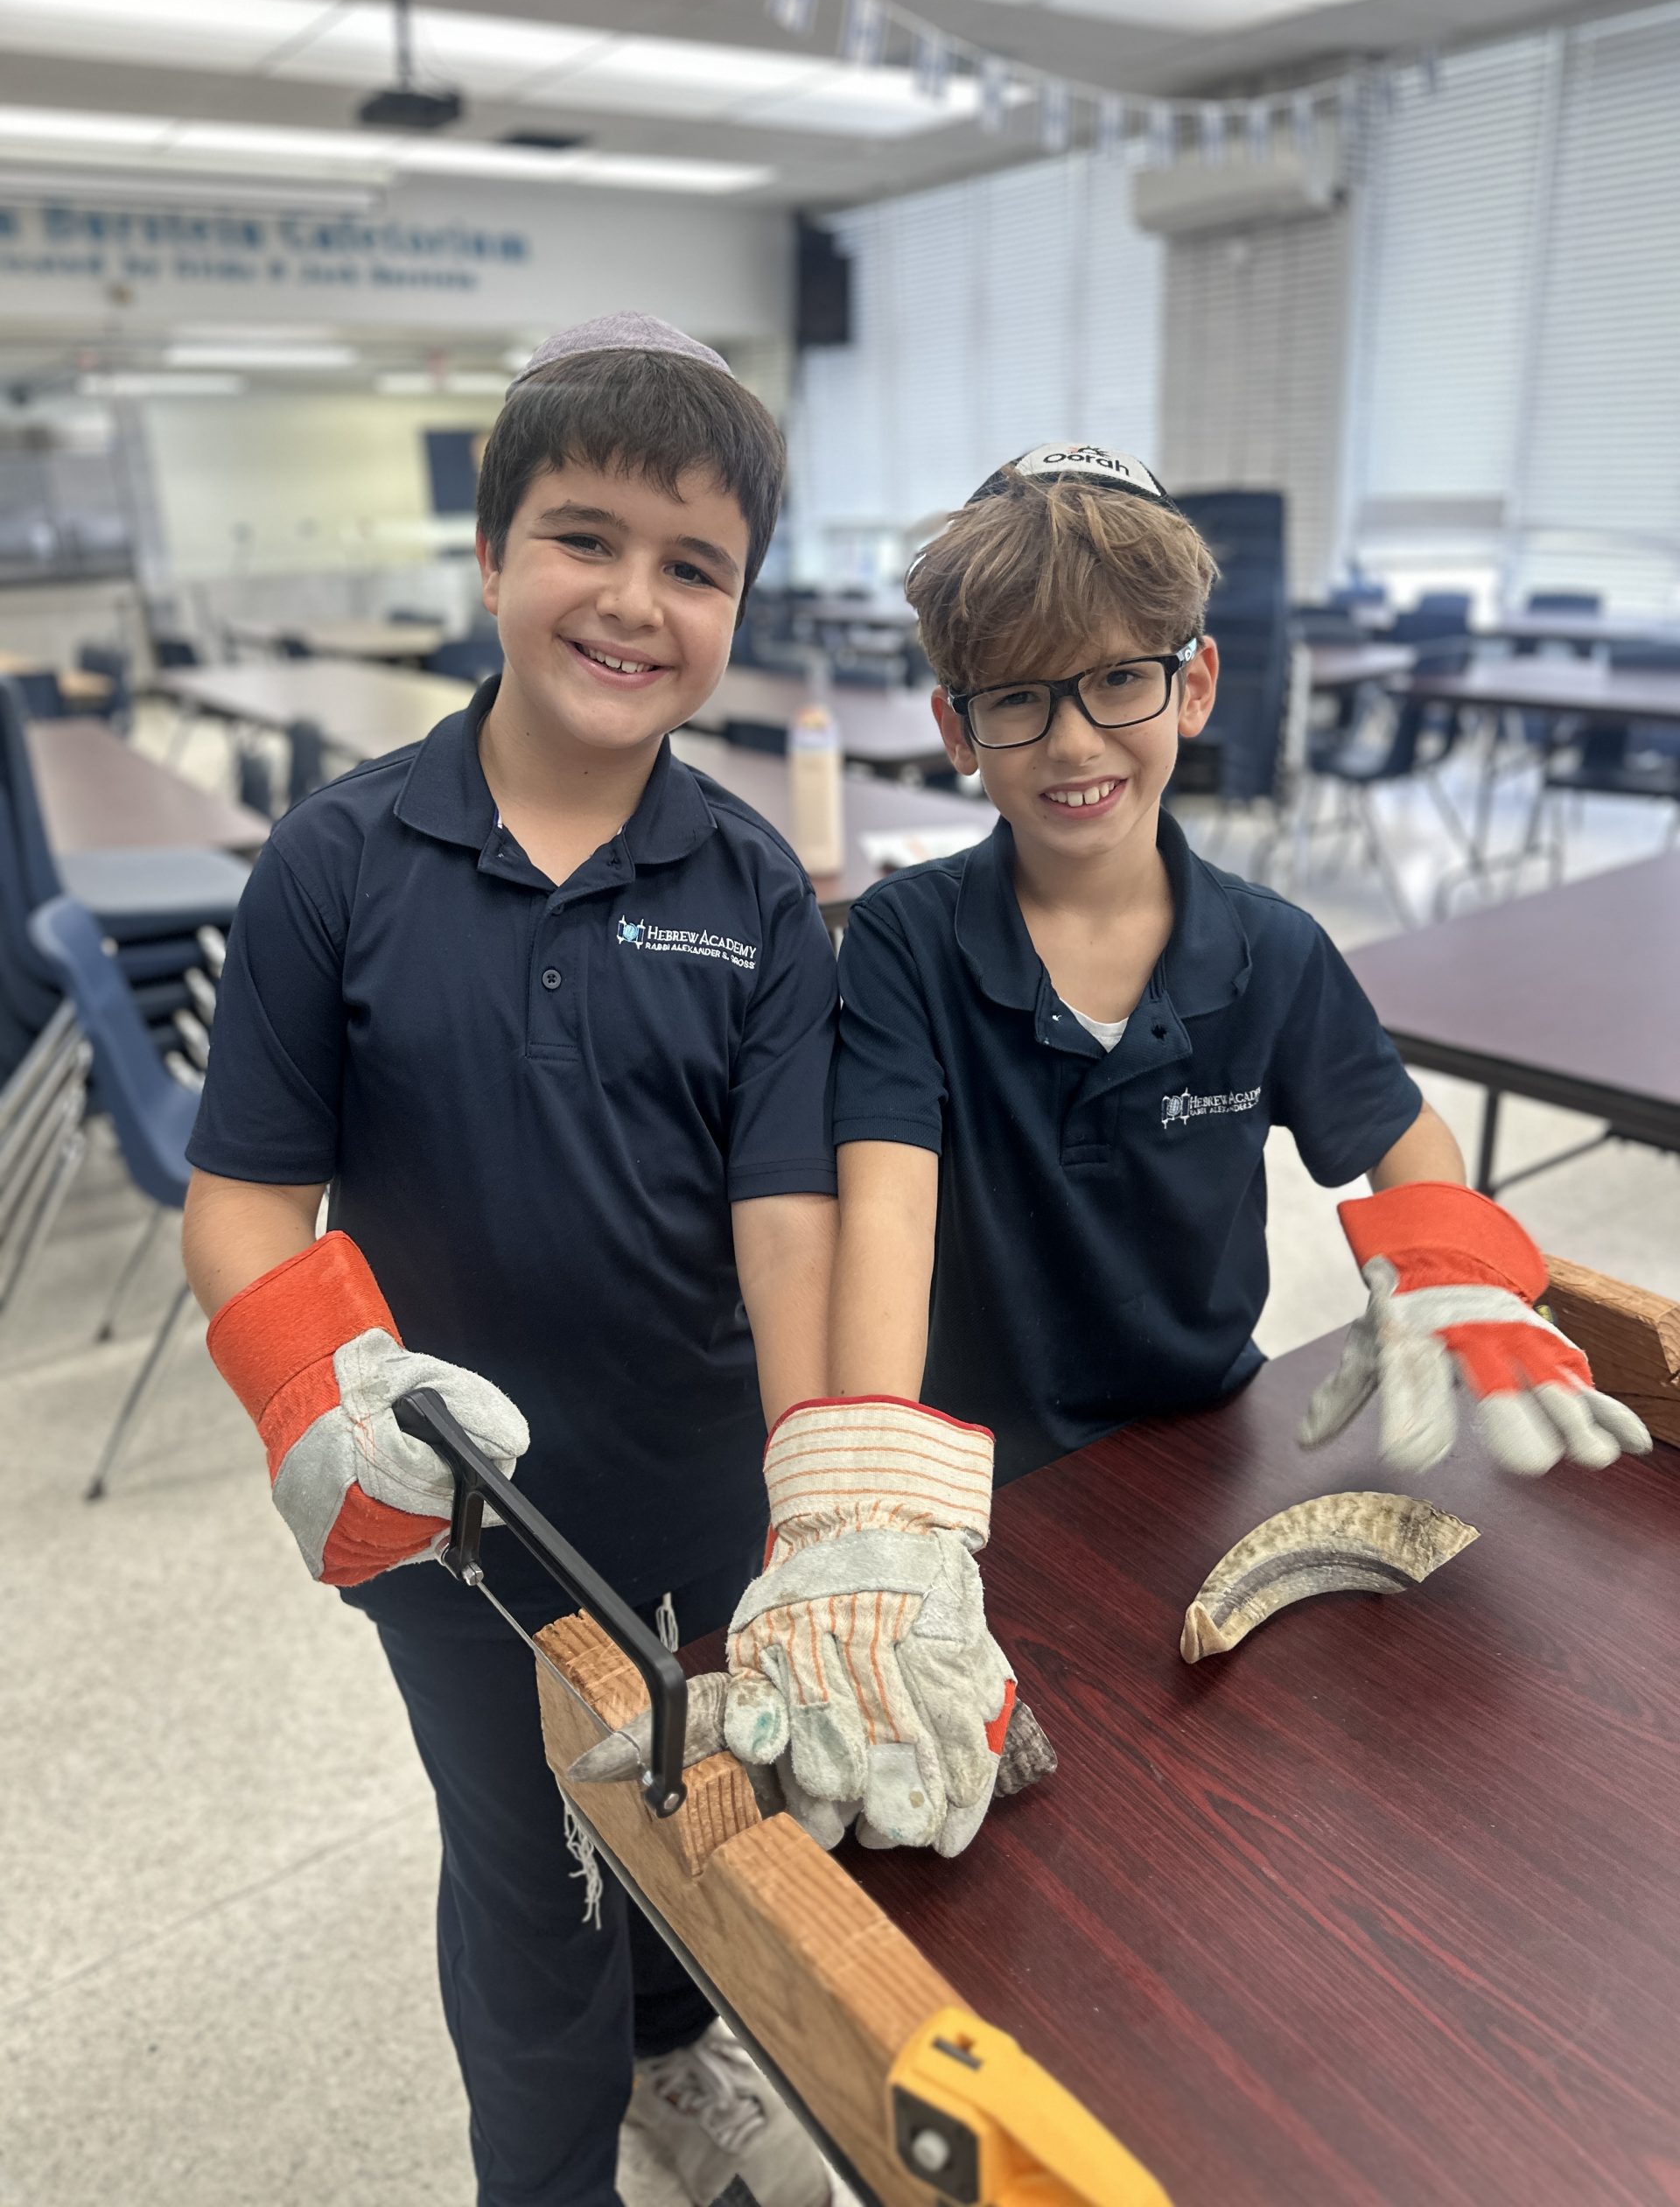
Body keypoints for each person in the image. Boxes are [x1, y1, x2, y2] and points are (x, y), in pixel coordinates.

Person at [721, 442, 1649, 1864]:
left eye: (1117, 681)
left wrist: (1450, 1252)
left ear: (1194, 683)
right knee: (986, 1853)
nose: (1077, 742)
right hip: (991, 1480)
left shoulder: (1272, 951)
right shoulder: (908, 941)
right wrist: (870, 1505)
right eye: (1019, 702)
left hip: (1204, 1446)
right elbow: (886, 1221)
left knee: (1222, 1823)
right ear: (957, 730)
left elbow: (1404, 1140)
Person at [181, 314, 843, 2207]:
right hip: (446, 1525)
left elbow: (785, 1215)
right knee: (530, 1863)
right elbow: (241, 1196)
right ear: (488, 558)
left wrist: (819, 1492)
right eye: (584, 537)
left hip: (698, 1495)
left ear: (738, 603)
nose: (634, 599)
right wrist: (323, 1381)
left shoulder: (751, 896)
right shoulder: (338, 857)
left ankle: (668, 2056)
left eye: (695, 563)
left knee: (688, 1810)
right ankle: (543, 2174)